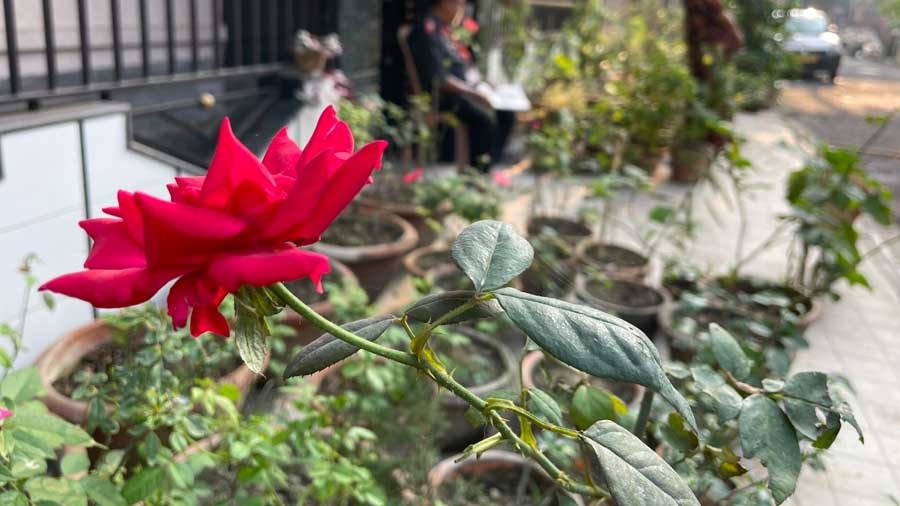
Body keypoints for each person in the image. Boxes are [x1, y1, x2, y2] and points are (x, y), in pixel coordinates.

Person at [408, 0, 515, 172]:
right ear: (444, 4)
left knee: (507, 113)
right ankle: (475, 172)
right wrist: (475, 93)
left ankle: (489, 164)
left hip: (465, 92)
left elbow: (465, 67)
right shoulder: (426, 30)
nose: (462, 9)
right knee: (484, 119)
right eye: (459, 4)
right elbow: (439, 79)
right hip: (444, 97)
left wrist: (483, 84)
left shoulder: (445, 30)